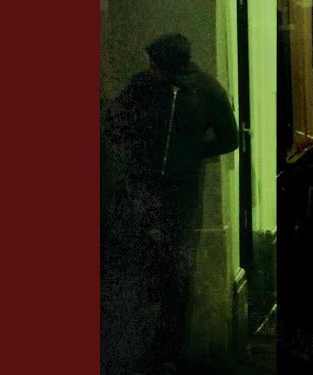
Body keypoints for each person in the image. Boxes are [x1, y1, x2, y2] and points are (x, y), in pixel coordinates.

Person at [103, 32, 240, 374]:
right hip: (142, 188)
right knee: (143, 263)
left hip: (181, 193)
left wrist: (191, 154)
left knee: (177, 269)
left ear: (169, 65)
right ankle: (138, 344)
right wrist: (137, 148)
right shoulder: (142, 86)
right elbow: (112, 123)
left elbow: (229, 138)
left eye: (154, 63)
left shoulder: (205, 90)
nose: (149, 69)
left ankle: (169, 349)